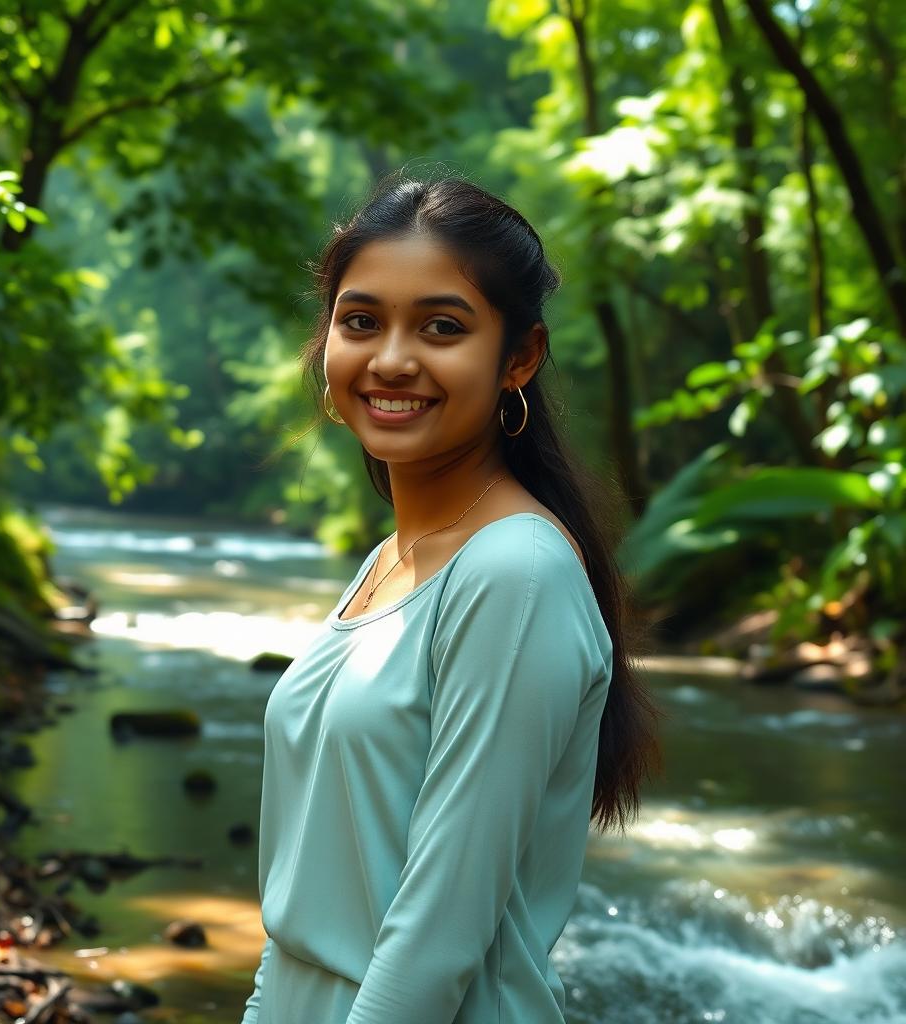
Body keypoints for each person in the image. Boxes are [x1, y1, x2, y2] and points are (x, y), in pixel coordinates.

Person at [240, 172, 662, 1023]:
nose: (391, 358)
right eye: (361, 321)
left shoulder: (515, 574)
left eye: (441, 327)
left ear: (520, 358)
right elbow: (301, 914)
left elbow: (435, 944)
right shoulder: (392, 560)